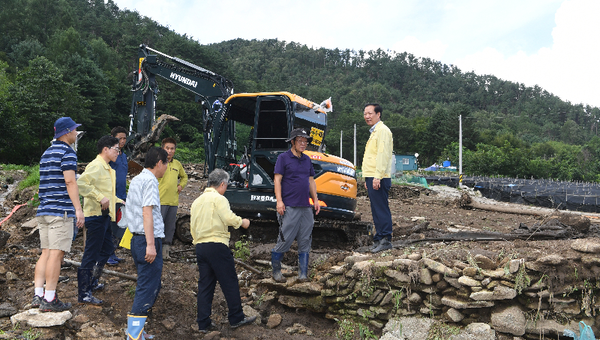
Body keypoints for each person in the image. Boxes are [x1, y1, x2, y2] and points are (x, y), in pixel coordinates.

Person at [191, 169, 256, 333]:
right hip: (217, 245)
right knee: (230, 282)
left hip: (200, 246)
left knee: (205, 285)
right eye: (226, 186)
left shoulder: (197, 201)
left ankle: (203, 323)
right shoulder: (219, 199)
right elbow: (228, 218)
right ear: (222, 184)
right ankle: (236, 318)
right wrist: (243, 222)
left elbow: (193, 227)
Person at [33, 117, 85, 312]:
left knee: (45, 252)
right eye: (74, 130)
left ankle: (38, 295)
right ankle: (50, 298)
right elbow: (70, 182)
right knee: (56, 254)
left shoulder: (46, 153)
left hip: (44, 210)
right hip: (60, 211)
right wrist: (78, 209)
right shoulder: (67, 153)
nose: (76, 134)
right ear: (66, 132)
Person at [125, 147, 168, 340]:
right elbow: (147, 212)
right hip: (146, 239)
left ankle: (139, 331)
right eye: (166, 163)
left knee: (149, 283)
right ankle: (133, 335)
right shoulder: (150, 181)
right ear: (159, 163)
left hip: (137, 238)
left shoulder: (137, 179)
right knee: (147, 285)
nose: (166, 168)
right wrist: (151, 244)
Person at [76, 135, 123, 304]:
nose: (118, 152)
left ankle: (93, 281)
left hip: (105, 216)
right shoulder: (96, 166)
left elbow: (107, 194)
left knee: (107, 249)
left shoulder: (108, 168)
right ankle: (84, 292)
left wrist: (118, 200)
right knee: (91, 253)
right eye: (116, 149)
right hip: (95, 216)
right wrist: (99, 197)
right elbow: (81, 184)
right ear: (106, 149)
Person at [271, 128, 320, 283]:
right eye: (300, 140)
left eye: (305, 141)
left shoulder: (306, 160)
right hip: (289, 205)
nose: (303, 144)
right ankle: (276, 271)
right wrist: (279, 201)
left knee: (305, 239)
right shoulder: (283, 158)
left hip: (305, 206)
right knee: (285, 238)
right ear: (292, 142)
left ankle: (303, 274)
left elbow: (311, 181)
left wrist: (316, 200)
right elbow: (277, 180)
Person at [362, 103, 394, 253]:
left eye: (370, 113)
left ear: (378, 114)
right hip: (372, 176)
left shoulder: (382, 131)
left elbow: (383, 155)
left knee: (381, 208)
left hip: (378, 176)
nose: (367, 116)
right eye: (365, 114)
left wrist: (377, 177)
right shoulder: (374, 132)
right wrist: (367, 178)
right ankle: (379, 238)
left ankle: (386, 239)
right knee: (375, 209)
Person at [158, 137, 188, 260]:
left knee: (169, 227)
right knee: (157, 227)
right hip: (159, 200)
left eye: (172, 148)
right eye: (167, 148)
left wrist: (181, 185)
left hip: (173, 202)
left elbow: (184, 177)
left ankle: (166, 253)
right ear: (162, 149)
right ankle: (155, 251)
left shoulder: (177, 164)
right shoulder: (158, 163)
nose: (169, 151)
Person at [107, 126, 128, 265]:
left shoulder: (123, 155)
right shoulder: (110, 155)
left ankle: (113, 252)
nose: (122, 141)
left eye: (124, 138)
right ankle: (108, 254)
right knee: (110, 226)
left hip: (121, 195)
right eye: (119, 138)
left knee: (119, 225)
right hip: (111, 196)